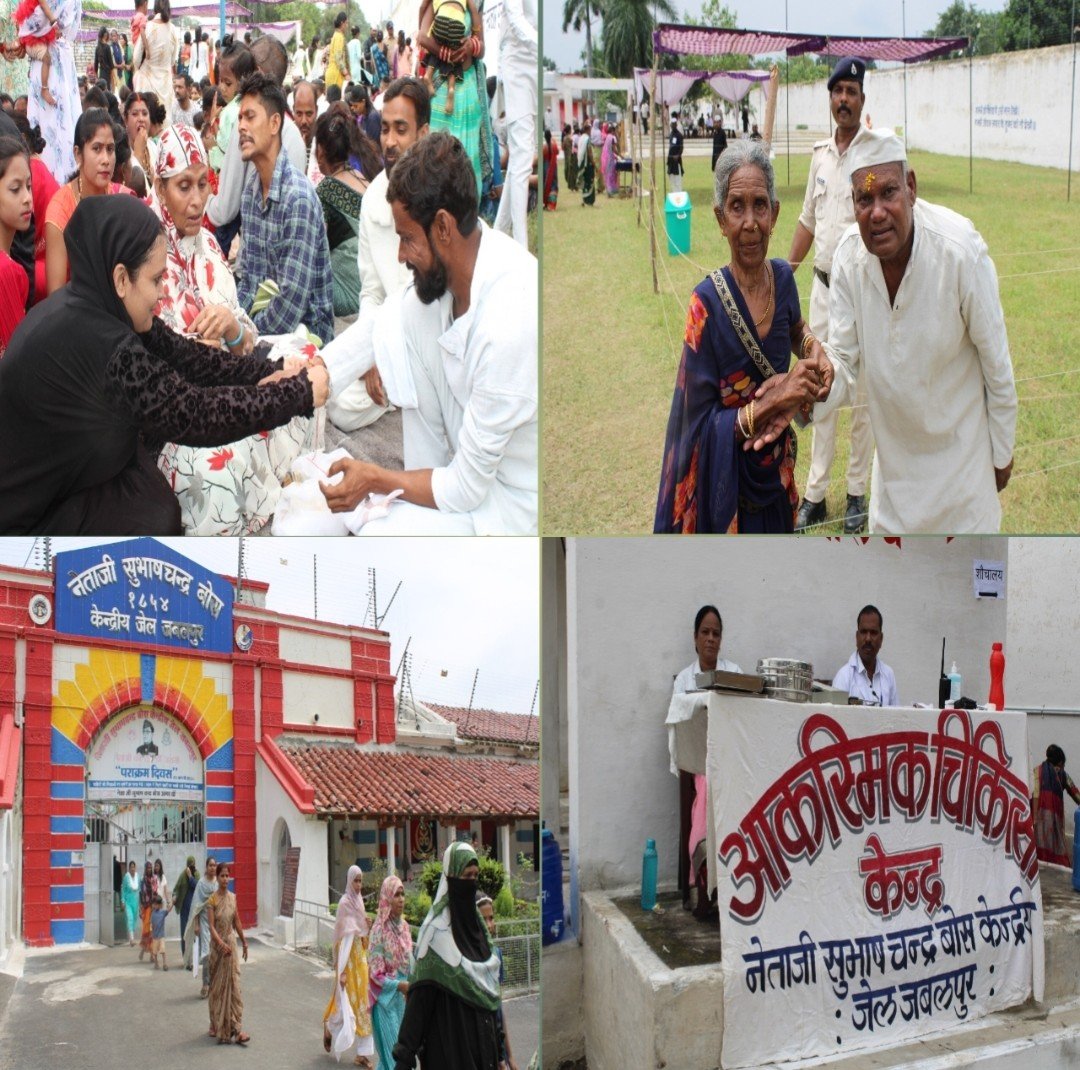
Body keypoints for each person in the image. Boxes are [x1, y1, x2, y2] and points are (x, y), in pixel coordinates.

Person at [0, 194, 328, 534]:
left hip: (70, 466)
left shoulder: (97, 302)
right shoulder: (106, 345)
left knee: (156, 501)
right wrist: (298, 393)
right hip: (29, 513)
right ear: (122, 279)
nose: (161, 294)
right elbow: (197, 414)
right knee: (157, 521)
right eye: (156, 280)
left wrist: (269, 371)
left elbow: (189, 358)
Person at [317, 132, 538, 535]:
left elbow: (468, 488)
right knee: (410, 314)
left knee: (376, 532)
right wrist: (317, 372)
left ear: (442, 227)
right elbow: (385, 318)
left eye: (406, 239)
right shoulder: (449, 281)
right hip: (457, 477)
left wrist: (377, 478)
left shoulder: (509, 319)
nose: (400, 256)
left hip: (506, 510)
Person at [805, 130, 1017, 534]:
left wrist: (1001, 454)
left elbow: (997, 368)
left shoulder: (960, 251)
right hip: (895, 496)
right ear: (853, 203)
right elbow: (844, 363)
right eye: (864, 199)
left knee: (966, 596)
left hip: (964, 488)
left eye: (888, 193)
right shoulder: (849, 259)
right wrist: (814, 386)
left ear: (912, 188)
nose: (877, 212)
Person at [654, 140, 832, 534]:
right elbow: (696, 428)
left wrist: (812, 349)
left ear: (775, 214)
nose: (750, 222)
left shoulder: (783, 278)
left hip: (777, 477)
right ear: (720, 220)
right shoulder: (706, 304)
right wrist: (773, 401)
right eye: (737, 207)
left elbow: (796, 329)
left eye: (760, 206)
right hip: (726, 492)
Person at [151, 124, 320, 535]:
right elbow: (147, 360)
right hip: (180, 409)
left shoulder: (209, 247)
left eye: (202, 185)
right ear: (159, 187)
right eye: (182, 186)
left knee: (306, 364)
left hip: (231, 381)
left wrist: (229, 330)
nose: (196, 201)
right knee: (215, 469)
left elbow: (246, 342)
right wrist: (194, 353)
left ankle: (276, 485)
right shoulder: (146, 254)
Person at [788, 58, 875, 535]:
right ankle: (816, 496)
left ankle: (857, 492)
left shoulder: (874, 154)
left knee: (863, 398)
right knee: (818, 389)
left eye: (853, 91)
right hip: (822, 294)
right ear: (831, 98)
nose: (844, 99)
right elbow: (806, 221)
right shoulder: (820, 156)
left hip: (865, 299)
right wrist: (784, 273)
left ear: (863, 101)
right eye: (838, 90)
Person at [324, 76, 427, 434]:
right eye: (385, 129)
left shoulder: (439, 196)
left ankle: (407, 390)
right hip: (385, 335)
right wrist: (371, 353)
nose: (390, 141)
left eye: (402, 129)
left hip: (429, 342)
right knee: (334, 394)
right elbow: (371, 292)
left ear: (423, 133)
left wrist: (388, 352)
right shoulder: (373, 198)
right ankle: (397, 390)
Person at [235, 72, 334, 345]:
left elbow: (291, 306)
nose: (241, 126)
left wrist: (244, 334)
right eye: (240, 118)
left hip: (307, 333)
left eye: (250, 117)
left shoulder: (297, 198)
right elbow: (249, 281)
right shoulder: (251, 193)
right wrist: (235, 322)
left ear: (274, 123)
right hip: (265, 329)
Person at [392, 842, 503, 1069]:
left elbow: (491, 1004)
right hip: (449, 1055)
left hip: (485, 1058)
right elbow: (418, 1007)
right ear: (450, 878)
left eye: (475, 876)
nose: (471, 882)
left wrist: (500, 1054)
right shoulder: (435, 936)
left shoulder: (479, 933)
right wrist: (403, 1059)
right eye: (466, 876)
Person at [670, 605, 741, 920]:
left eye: (716, 633)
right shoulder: (685, 678)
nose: (711, 639)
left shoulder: (733, 673)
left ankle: (735, 881)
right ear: (695, 638)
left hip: (733, 762)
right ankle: (701, 881)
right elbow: (679, 719)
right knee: (708, 789)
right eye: (705, 633)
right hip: (700, 765)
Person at [43, 108, 132, 294]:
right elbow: (56, 295)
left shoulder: (123, 199)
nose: (106, 160)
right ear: (78, 154)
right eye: (96, 148)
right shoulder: (60, 211)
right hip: (77, 310)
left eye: (110, 149)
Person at [418, 0, 494, 205]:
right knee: (437, 153)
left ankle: (466, 218)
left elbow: (482, 47)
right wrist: (448, 54)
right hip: (439, 92)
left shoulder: (473, 4)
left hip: (468, 89)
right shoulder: (436, 2)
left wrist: (472, 46)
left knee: (467, 155)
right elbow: (422, 37)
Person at [315, 103, 380, 315]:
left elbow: (316, 251)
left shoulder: (325, 190)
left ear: (321, 151)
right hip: (375, 287)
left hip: (351, 296)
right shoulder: (362, 179)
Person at [322, 865, 374, 1066]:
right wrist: (341, 971)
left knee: (363, 1006)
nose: (359, 885)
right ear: (349, 880)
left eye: (361, 880)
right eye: (356, 880)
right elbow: (340, 941)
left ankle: (362, 1053)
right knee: (346, 1004)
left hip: (360, 962)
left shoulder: (359, 901)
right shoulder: (344, 903)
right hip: (348, 963)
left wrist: (367, 928)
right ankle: (330, 1026)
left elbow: (361, 938)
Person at [25, 0, 78, 184]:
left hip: (50, 60)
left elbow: (31, 23)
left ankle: (45, 185)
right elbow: (72, 30)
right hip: (61, 59)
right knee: (62, 125)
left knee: (48, 126)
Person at [368, 875, 413, 1070]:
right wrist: (399, 985)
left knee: (396, 1059)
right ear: (387, 898)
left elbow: (408, 962)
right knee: (393, 1060)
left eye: (403, 894)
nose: (401, 899)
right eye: (396, 895)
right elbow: (375, 974)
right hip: (384, 1000)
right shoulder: (379, 930)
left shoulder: (404, 927)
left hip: (402, 1001)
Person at [206, 862, 250, 1045]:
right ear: (217, 877)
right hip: (218, 950)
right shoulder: (212, 900)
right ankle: (217, 1024)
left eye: (227, 876)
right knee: (217, 989)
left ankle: (236, 1028)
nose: (225, 879)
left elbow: (237, 921)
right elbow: (211, 926)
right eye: (222, 876)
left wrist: (244, 942)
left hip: (230, 948)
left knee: (234, 987)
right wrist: (220, 943)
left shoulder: (233, 898)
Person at [476, 893, 518, 1070]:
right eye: (482, 919)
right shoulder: (467, 960)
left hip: (497, 1039)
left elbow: (499, 1009)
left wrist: (510, 1057)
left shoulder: (496, 954)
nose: (489, 925)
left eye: (491, 918)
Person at [831, 604, 897, 707]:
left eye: (873, 633)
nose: (868, 639)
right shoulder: (844, 676)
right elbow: (837, 719)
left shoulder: (888, 674)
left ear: (881, 639)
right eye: (863, 632)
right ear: (857, 637)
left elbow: (896, 717)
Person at [0, 136, 31, 353]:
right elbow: (17, 360)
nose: (27, 198)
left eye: (28, 186)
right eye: (15, 189)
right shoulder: (6, 272)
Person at [1033, 745, 1080, 867]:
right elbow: (1075, 793)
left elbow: (1035, 794)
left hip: (1038, 820)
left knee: (1038, 852)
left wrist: (1034, 819)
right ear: (1060, 762)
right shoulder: (1063, 775)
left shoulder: (1037, 771)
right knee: (1058, 849)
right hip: (1055, 824)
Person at [132, 0, 179, 119]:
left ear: (154, 8)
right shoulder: (173, 29)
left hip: (146, 84)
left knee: (146, 123)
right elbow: (173, 61)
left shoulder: (147, 27)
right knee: (164, 124)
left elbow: (136, 59)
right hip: (166, 85)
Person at [182, 856, 217, 998]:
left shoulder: (217, 883)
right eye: (210, 865)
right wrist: (196, 924)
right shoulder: (201, 884)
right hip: (203, 922)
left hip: (216, 922)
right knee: (206, 953)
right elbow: (196, 905)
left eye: (215, 865)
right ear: (206, 867)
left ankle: (214, 984)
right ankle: (205, 984)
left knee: (216, 955)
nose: (213, 868)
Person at [173, 855, 198, 957]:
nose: (191, 867)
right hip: (184, 910)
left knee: (193, 934)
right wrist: (174, 897)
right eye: (189, 865)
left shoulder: (197, 875)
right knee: (184, 934)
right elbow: (176, 889)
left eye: (193, 864)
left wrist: (190, 877)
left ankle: (193, 958)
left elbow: (197, 887)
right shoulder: (182, 876)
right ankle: (185, 957)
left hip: (194, 910)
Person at [326, 12, 349, 90]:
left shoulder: (335, 35)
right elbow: (338, 57)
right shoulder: (339, 37)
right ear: (342, 23)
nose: (347, 26)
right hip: (336, 75)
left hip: (332, 74)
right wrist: (346, 73)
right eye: (346, 23)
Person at [138, 859, 156, 960]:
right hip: (145, 908)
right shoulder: (142, 879)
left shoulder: (154, 879)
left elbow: (155, 892)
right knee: (146, 931)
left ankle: (152, 954)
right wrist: (141, 909)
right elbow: (141, 894)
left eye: (150, 868)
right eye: (148, 868)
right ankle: (143, 951)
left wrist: (155, 906)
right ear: (145, 869)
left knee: (152, 930)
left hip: (153, 907)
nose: (149, 869)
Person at [122, 859, 140, 946]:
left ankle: (132, 937)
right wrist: (122, 901)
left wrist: (140, 903)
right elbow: (123, 889)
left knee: (134, 920)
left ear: (135, 868)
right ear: (129, 868)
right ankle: (131, 939)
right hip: (128, 902)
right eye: (131, 867)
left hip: (135, 902)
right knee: (130, 918)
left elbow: (140, 890)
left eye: (134, 867)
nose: (132, 869)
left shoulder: (138, 877)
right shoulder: (126, 877)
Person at [150, 893, 170, 969]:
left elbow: (168, 910)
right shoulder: (152, 914)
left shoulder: (163, 912)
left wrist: (171, 903)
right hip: (155, 936)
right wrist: (151, 932)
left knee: (163, 950)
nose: (155, 906)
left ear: (160, 905)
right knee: (154, 952)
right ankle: (156, 963)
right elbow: (152, 924)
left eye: (157, 904)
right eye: (154, 904)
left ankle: (165, 964)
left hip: (161, 936)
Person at [599, 122, 619, 197]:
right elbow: (614, 149)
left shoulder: (607, 137)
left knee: (607, 174)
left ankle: (609, 190)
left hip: (605, 157)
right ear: (613, 131)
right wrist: (620, 155)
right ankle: (611, 191)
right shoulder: (612, 138)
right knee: (611, 174)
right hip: (609, 158)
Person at [577, 124, 594, 206]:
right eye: (590, 130)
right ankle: (589, 200)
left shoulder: (581, 138)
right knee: (589, 181)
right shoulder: (587, 139)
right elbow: (589, 152)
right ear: (588, 130)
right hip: (587, 163)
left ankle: (584, 200)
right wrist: (593, 162)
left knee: (584, 182)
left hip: (581, 163)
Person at [542, 127, 557, 210]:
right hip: (553, 166)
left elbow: (542, 157)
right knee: (553, 185)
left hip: (546, 167)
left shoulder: (544, 147)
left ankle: (546, 203)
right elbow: (557, 152)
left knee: (547, 184)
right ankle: (552, 204)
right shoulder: (553, 144)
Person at [666, 115, 683, 192]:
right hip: (670, 160)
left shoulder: (679, 135)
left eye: (674, 124)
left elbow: (681, 147)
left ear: (676, 124)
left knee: (677, 180)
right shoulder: (671, 134)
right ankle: (674, 193)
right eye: (671, 124)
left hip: (677, 161)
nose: (672, 125)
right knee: (671, 179)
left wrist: (678, 155)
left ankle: (678, 193)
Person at [561, 123, 576, 191]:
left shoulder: (564, 138)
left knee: (568, 171)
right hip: (571, 156)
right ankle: (573, 185)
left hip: (567, 156)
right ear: (569, 130)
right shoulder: (571, 138)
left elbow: (562, 148)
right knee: (572, 171)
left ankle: (572, 185)